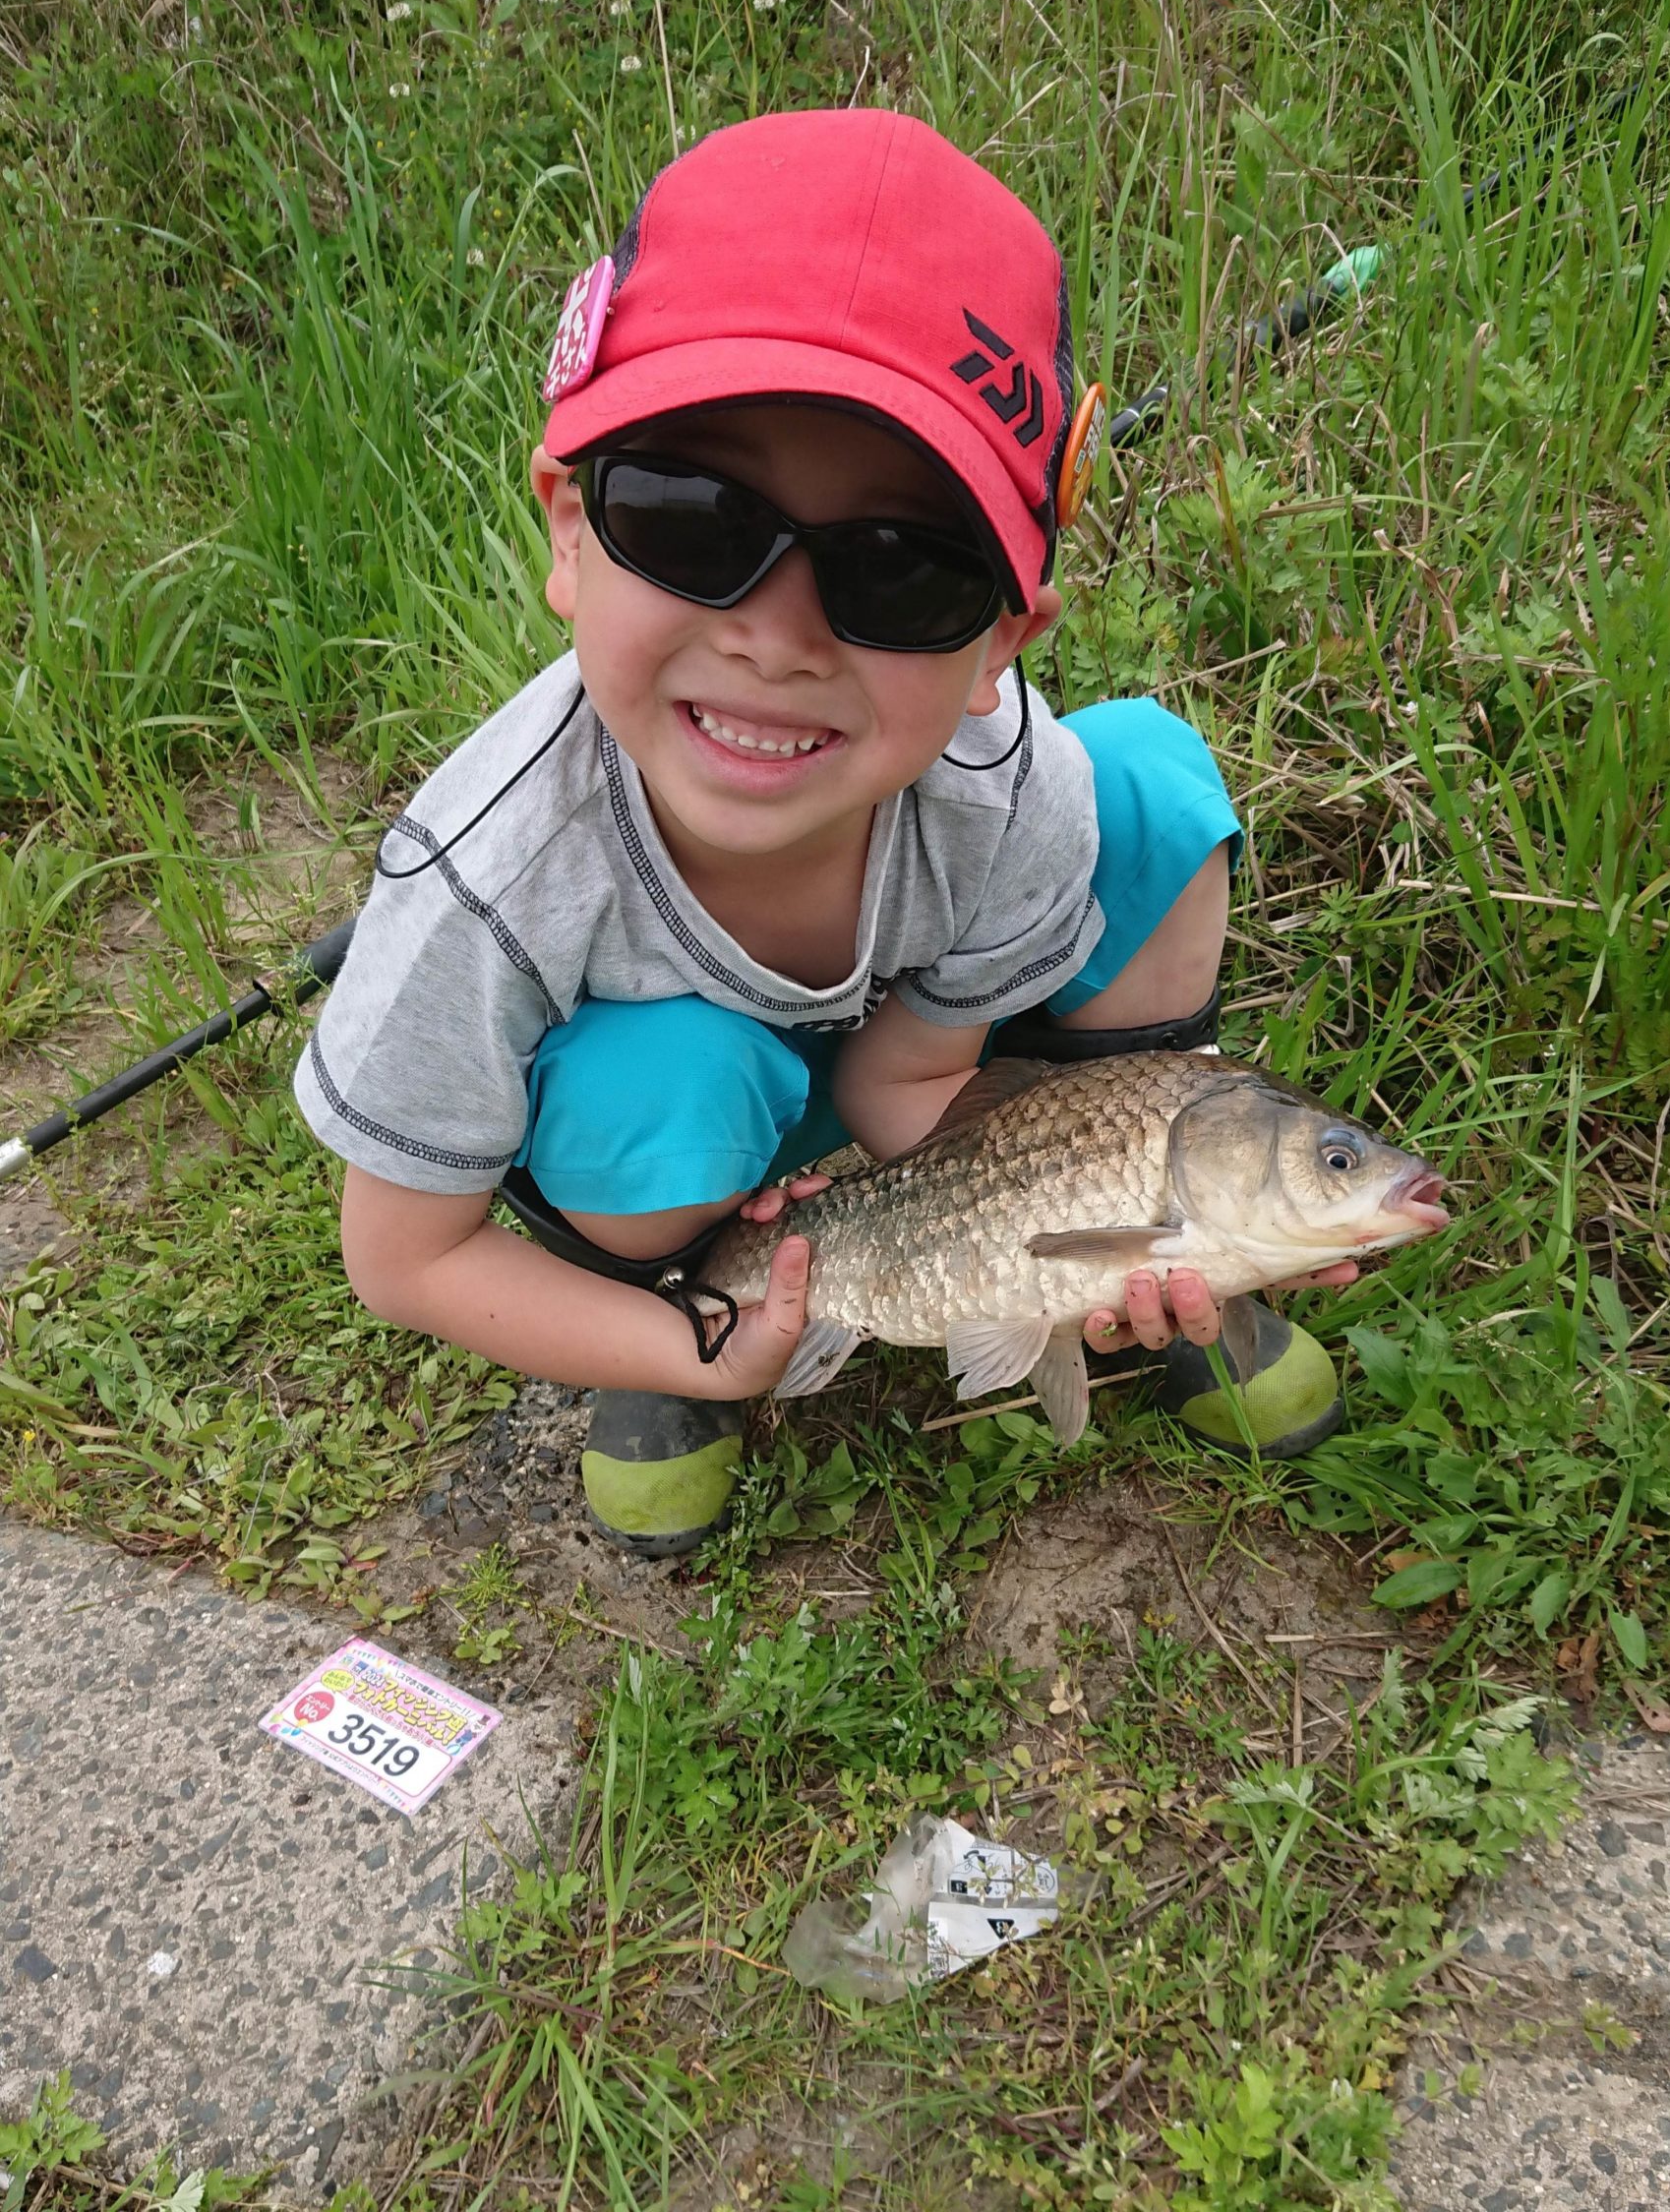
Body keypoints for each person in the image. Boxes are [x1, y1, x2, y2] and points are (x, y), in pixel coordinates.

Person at [294, 108, 1354, 1557]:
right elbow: (405, 1258)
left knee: (1151, 784)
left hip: (908, 1057)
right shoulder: (484, 879)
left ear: (997, 644)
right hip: (680, 1128)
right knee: (658, 1085)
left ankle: (1191, 1279)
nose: (776, 637)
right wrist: (695, 1350)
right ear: (568, 528)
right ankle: (670, 1311)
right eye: (691, 520)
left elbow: (909, 1081)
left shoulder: (1007, 785)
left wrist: (1086, 1236)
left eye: (901, 570)